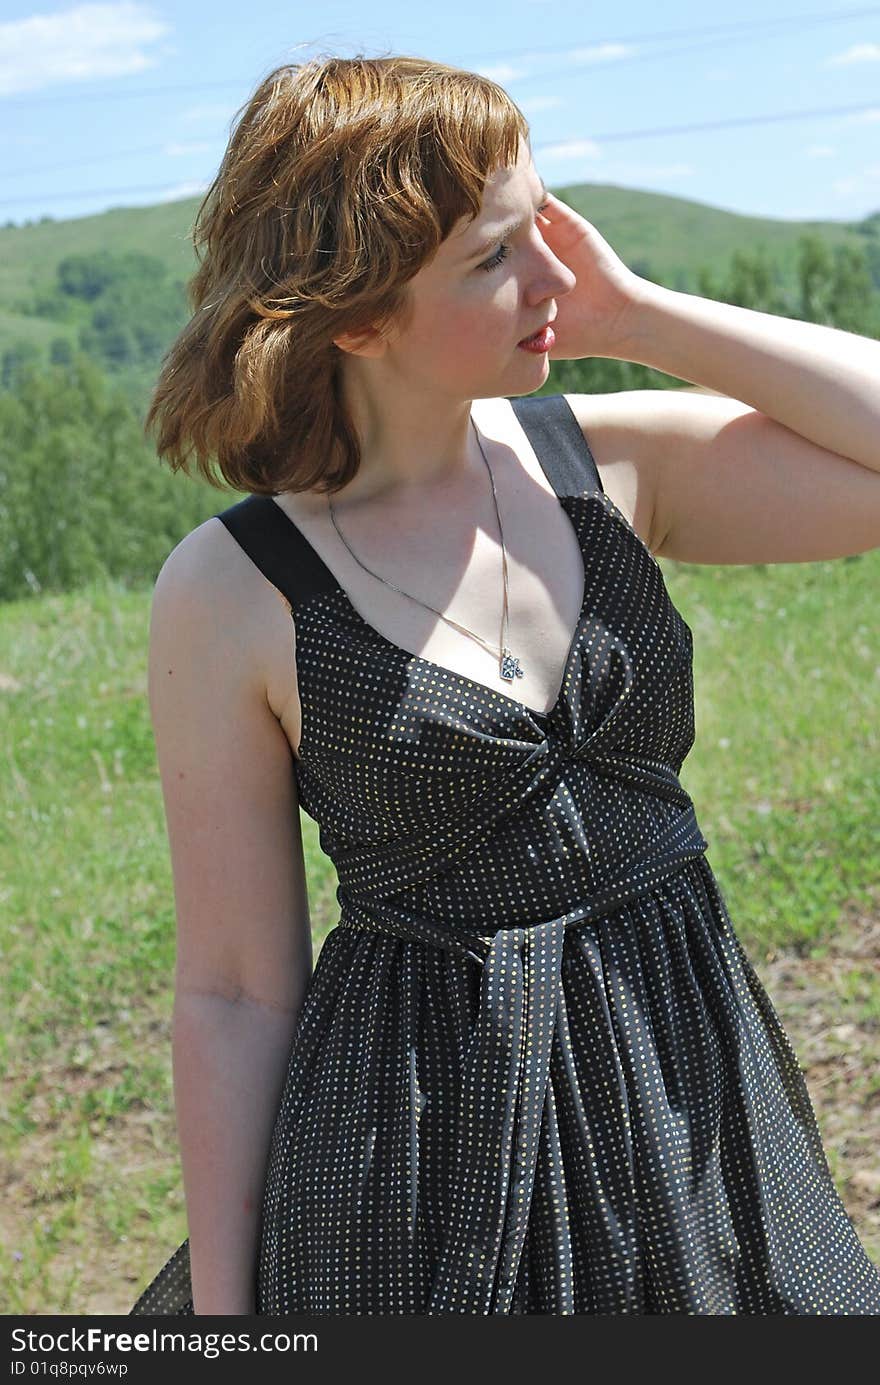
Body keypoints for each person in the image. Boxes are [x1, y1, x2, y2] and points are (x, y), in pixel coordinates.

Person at [128, 52, 880, 1315]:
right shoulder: (230, 588)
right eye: (493, 257)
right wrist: (223, 1316)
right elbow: (236, 987)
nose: (552, 281)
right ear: (355, 315)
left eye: (542, 225)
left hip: (687, 1080)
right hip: (421, 1147)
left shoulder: (600, 469)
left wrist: (639, 317)